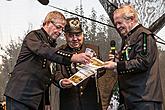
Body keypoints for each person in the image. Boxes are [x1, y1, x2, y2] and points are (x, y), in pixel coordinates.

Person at [4, 11, 91, 110]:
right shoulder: (34, 36)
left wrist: (47, 100)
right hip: (21, 96)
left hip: (36, 100)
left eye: (62, 29)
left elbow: (46, 73)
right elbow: (46, 51)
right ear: (47, 23)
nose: (59, 32)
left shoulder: (50, 45)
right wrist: (73, 57)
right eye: (58, 27)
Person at [104, 4, 163, 110]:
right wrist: (118, 60)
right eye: (116, 23)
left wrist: (117, 65)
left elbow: (143, 62)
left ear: (132, 19)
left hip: (144, 98)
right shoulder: (129, 37)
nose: (117, 26)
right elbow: (131, 62)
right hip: (132, 97)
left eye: (119, 22)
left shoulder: (144, 36)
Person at [52, 17, 104, 110]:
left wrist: (95, 70)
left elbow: (102, 69)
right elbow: (55, 72)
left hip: (91, 103)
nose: (75, 39)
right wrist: (61, 82)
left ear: (83, 34)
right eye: (71, 35)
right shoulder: (59, 51)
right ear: (65, 36)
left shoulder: (94, 49)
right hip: (69, 104)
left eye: (78, 35)